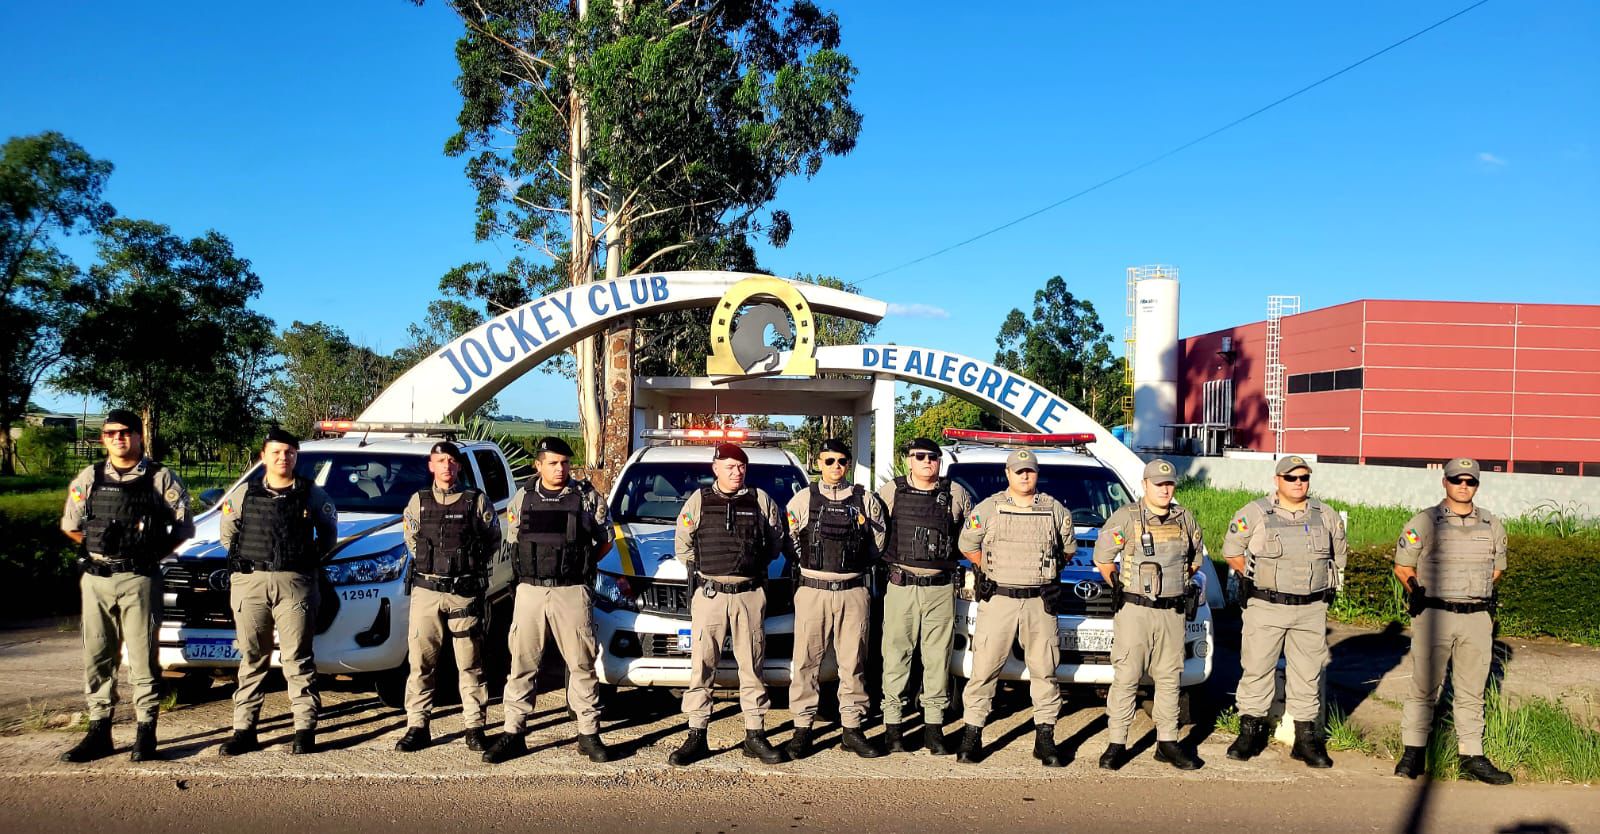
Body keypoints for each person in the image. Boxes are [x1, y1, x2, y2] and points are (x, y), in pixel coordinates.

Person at [58, 408, 193, 763]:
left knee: (142, 658)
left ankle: (145, 731)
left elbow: (183, 528)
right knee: (97, 656)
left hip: (139, 578)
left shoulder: (161, 477)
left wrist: (149, 553)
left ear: (138, 436)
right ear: (103, 439)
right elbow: (72, 526)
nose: (119, 438)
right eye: (111, 433)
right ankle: (99, 730)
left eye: (126, 432)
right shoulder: (89, 477)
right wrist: (103, 547)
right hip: (97, 579)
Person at [484, 437, 615, 764]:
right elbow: (515, 541)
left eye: (565, 463)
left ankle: (588, 733)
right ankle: (513, 732)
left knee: (581, 664)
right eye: (553, 463)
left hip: (571, 591)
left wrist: (579, 565)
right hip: (530, 591)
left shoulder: (586, 498)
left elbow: (605, 541)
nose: (560, 469)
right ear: (538, 465)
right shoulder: (523, 497)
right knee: (522, 664)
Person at [217, 428, 339, 756]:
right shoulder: (244, 494)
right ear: (264, 456)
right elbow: (228, 537)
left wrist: (304, 559)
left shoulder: (312, 494)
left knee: (297, 658)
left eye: (289, 452)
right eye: (276, 452)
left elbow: (329, 535)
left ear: (296, 457)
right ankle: (244, 729)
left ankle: (304, 728)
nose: (283, 458)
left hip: (295, 584)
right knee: (252, 658)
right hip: (251, 583)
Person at [668, 442, 791, 766]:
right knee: (702, 667)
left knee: (752, 666)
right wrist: (709, 571)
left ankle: (755, 733)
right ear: (716, 468)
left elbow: (775, 542)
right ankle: (697, 734)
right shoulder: (699, 500)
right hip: (710, 595)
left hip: (749, 595)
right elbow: (683, 546)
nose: (736, 472)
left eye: (741, 467)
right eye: (729, 467)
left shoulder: (761, 500)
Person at [1392, 458, 1513, 785]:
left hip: (1476, 618)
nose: (1463, 486)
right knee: (1424, 686)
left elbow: (1496, 570)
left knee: (1472, 690)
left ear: (1476, 485)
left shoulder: (1491, 524)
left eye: (1469, 481)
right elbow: (1403, 565)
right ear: (1444, 482)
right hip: (1435, 617)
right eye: (1457, 480)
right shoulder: (1426, 521)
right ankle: (1413, 751)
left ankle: (1471, 755)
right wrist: (1414, 589)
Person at [1223, 455, 1347, 768]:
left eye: (1303, 477)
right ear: (1277, 480)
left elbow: (1339, 557)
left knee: (1307, 674)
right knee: (1257, 669)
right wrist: (1253, 579)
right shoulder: (1255, 512)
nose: (1298, 483)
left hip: (1311, 608)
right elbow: (1232, 551)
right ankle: (1249, 733)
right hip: (1266, 606)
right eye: (1291, 478)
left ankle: (1306, 739)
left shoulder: (1326, 515)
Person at [953, 448, 1073, 767]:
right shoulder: (989, 508)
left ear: (1036, 474)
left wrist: (1044, 573)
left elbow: (1067, 550)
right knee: (984, 669)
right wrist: (987, 570)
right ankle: (972, 733)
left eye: (1029, 471)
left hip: (1038, 602)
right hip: (1000, 600)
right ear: (1008, 474)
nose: (1024, 475)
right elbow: (967, 544)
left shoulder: (1054, 509)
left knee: (1045, 671)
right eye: (1018, 471)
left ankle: (1045, 737)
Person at [1093, 459, 1205, 771]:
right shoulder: (1127, 517)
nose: (1165, 489)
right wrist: (1118, 585)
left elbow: (1196, 558)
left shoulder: (1185, 518)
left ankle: (1167, 742)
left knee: (1169, 679)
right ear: (1145, 485)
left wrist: (1178, 582)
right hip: (1136, 610)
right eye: (1158, 484)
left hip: (1171, 611)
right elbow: (1103, 558)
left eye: (1169, 484)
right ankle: (1117, 742)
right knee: (1127, 676)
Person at [783, 438, 887, 759]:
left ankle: (852, 728)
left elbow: (878, 544)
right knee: (805, 662)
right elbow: (789, 540)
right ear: (818, 462)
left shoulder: (865, 500)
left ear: (849, 464)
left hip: (853, 592)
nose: (836, 467)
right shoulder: (803, 500)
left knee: (853, 662)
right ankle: (802, 729)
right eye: (829, 461)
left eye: (842, 461)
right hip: (813, 590)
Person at [394, 441, 499, 754]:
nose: (446, 466)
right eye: (440, 460)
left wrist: (465, 568)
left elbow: (493, 539)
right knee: (421, 663)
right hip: (427, 592)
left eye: (451, 461)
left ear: (458, 466)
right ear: (431, 465)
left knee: (470, 663)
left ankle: (474, 726)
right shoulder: (419, 501)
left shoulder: (475, 501)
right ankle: (417, 725)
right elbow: (411, 540)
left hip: (463, 594)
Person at [877, 437, 971, 756]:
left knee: (937, 659)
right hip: (902, 586)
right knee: (896, 656)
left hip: (941, 589)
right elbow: (875, 532)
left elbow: (969, 535)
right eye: (920, 456)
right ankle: (894, 728)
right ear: (909, 461)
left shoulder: (955, 493)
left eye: (933, 457)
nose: (927, 461)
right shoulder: (893, 491)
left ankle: (934, 728)